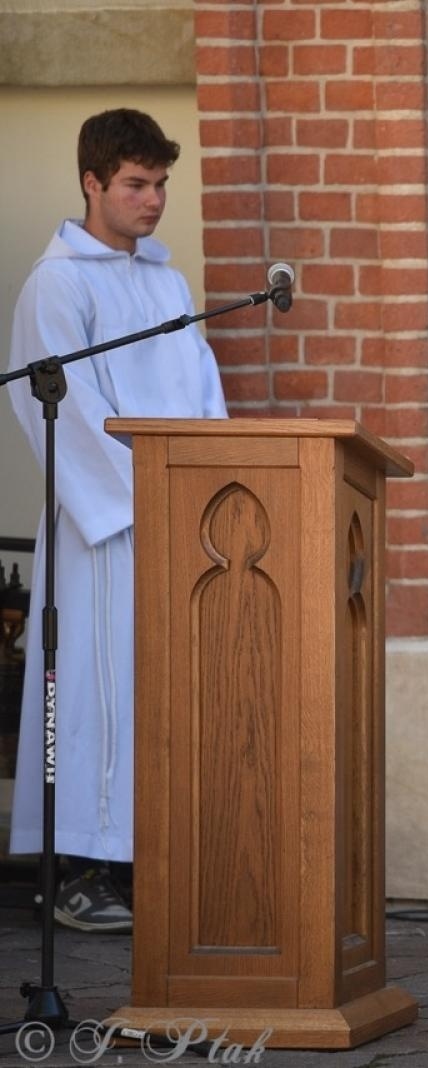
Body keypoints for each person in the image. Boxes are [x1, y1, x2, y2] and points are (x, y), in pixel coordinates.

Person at [6, 109, 229, 931]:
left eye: (161, 183)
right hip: (104, 525)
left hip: (179, 523)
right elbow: (56, 408)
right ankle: (81, 875)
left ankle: (146, 863)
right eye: (136, 183)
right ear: (92, 183)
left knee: (163, 694)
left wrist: (211, 493)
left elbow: (203, 400)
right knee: (102, 692)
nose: (153, 199)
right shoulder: (58, 283)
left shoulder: (167, 285)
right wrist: (140, 502)